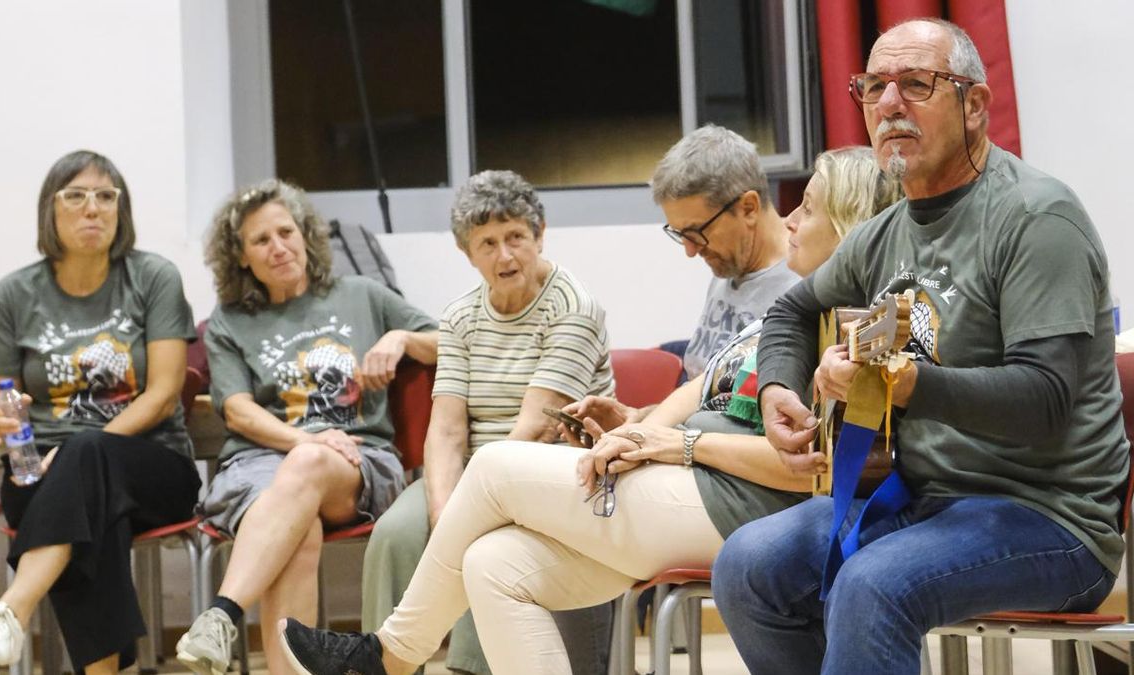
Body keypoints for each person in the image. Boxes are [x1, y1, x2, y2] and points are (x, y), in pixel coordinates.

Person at [274, 151, 901, 675]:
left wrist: (676, 448)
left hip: (741, 507)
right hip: (687, 484)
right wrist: (632, 427)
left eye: (808, 207)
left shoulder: (852, 326)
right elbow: (700, 391)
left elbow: (812, 470)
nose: (788, 218)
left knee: (493, 467)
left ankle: (388, 656)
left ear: (851, 226)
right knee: (495, 565)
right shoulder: (791, 311)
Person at [712, 19, 1129, 675]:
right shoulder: (882, 234)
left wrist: (910, 386)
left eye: (914, 84)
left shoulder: (1037, 218)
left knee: (873, 583)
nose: (887, 106)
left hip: (1051, 519)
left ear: (974, 105)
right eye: (873, 86)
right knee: (746, 564)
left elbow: (1045, 400)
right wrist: (777, 391)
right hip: (922, 500)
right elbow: (793, 310)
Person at [174, 179, 439, 675]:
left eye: (285, 232)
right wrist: (306, 439)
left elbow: (452, 343)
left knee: (312, 462)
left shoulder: (362, 294)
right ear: (241, 258)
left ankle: (223, 612)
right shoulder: (232, 320)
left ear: (305, 235)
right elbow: (236, 410)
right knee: (301, 531)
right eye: (260, 241)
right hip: (259, 463)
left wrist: (401, 337)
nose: (278, 248)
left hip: (357, 463)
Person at [360, 170, 616, 675]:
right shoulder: (459, 317)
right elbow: (448, 429)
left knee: (484, 546)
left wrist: (465, 514)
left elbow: (536, 428)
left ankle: (471, 670)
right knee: (394, 533)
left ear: (540, 233)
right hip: (479, 468)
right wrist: (441, 511)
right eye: (488, 243)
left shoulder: (574, 308)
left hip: (554, 470)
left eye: (517, 237)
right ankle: (376, 664)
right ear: (467, 253)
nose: (505, 256)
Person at [0, 150, 202, 673]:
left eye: (106, 196)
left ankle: (11, 611)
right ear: (51, 210)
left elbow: (162, 394)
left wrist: (74, 451)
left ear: (121, 210)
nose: (93, 208)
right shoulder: (14, 294)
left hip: (154, 465)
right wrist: (5, 424)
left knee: (88, 460)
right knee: (92, 507)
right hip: (39, 473)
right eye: (76, 195)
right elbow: (6, 400)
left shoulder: (152, 276)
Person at [652, 125, 799, 380]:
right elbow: (696, 394)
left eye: (696, 231)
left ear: (749, 208)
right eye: (681, 235)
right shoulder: (729, 263)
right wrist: (638, 415)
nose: (690, 251)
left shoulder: (804, 279)